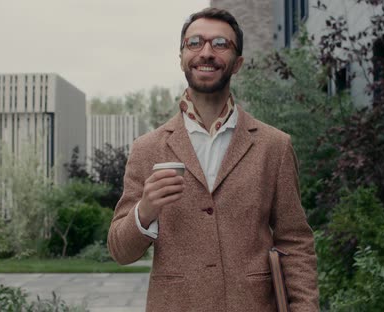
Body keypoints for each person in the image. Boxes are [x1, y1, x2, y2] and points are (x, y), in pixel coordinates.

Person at [108, 8, 319, 312]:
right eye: (195, 43)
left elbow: (295, 243)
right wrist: (146, 210)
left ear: (238, 64)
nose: (206, 52)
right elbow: (120, 250)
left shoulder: (274, 146)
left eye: (220, 44)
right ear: (181, 57)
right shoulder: (147, 149)